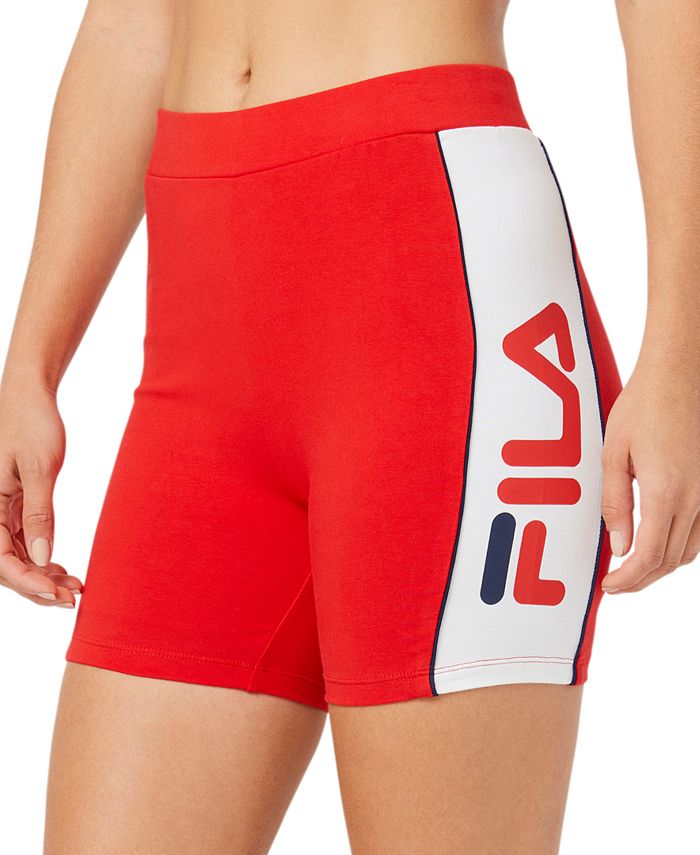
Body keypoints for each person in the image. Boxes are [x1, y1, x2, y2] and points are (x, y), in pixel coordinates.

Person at [1, 1, 698, 852]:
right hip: (201, 330)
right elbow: (130, 21)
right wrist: (31, 365)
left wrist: (682, 358)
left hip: (442, 300)